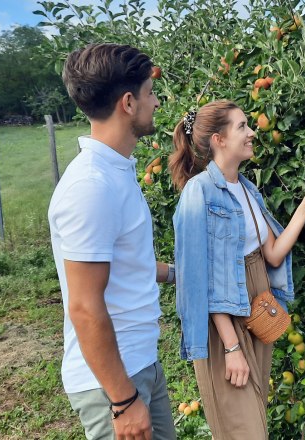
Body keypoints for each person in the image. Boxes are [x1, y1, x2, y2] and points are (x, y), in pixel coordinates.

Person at [170, 100, 305, 439]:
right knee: (243, 428)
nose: (251, 132)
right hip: (225, 321)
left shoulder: (246, 189)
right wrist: (231, 347)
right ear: (219, 139)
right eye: (242, 126)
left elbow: (272, 254)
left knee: (253, 414)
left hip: (256, 308)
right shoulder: (198, 193)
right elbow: (200, 280)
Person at [48, 43, 177, 440]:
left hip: (139, 363)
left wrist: (175, 273)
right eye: (149, 93)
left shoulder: (115, 171)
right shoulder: (92, 186)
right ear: (127, 102)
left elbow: (122, 265)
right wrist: (122, 400)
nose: (155, 103)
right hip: (114, 382)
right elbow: (85, 307)